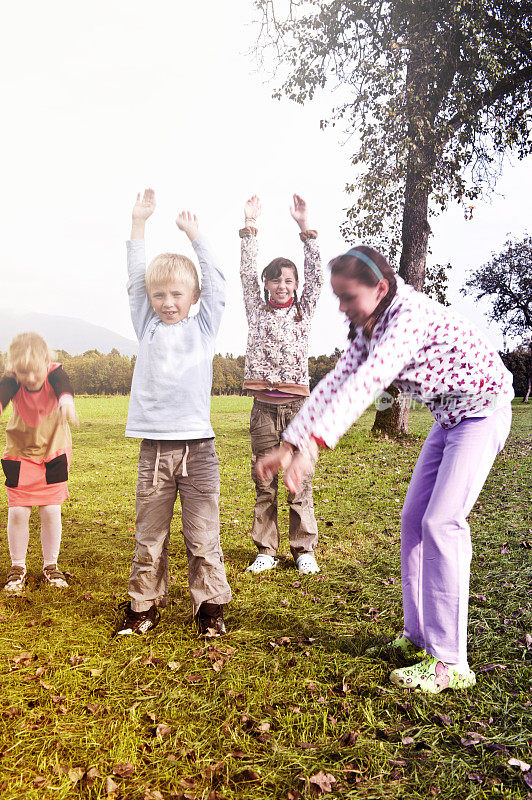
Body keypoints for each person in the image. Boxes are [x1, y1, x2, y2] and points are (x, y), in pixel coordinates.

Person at [257, 245, 514, 694]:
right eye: (337, 297)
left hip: (482, 410)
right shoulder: (369, 325)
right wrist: (291, 442)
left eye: (348, 297)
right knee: (414, 519)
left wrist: (313, 447)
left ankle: (450, 660)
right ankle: (418, 640)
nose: (341, 307)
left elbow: (368, 384)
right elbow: (337, 380)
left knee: (442, 522)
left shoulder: (407, 317)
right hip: (449, 417)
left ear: (380, 288)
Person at [114, 188, 231, 637]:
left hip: (199, 449)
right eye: (158, 294)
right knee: (150, 536)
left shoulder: (202, 328)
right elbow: (133, 279)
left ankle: (210, 609)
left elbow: (218, 283)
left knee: (202, 535)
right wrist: (139, 224)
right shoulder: (146, 326)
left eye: (175, 294)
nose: (166, 302)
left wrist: (196, 236)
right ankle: (143, 607)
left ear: (193, 295)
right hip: (155, 451)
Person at [239, 194, 323, 575]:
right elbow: (245, 272)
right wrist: (249, 226)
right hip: (262, 409)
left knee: (298, 480)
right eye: (277, 279)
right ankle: (267, 550)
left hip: (296, 407)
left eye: (290, 280)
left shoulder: (303, 313)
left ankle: (303, 548)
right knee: (265, 479)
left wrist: (306, 229)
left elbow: (318, 275)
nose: (284, 285)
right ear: (267, 284)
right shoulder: (256, 309)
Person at [0, 332, 78, 593]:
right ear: (14, 368)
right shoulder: (13, 378)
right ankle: (18, 567)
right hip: (20, 454)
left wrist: (66, 402)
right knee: (19, 511)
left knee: (51, 510)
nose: (30, 378)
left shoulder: (55, 373)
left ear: (46, 362)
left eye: (35, 372)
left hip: (52, 453)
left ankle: (50, 565)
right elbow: (1, 397)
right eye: (23, 373)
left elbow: (64, 389)